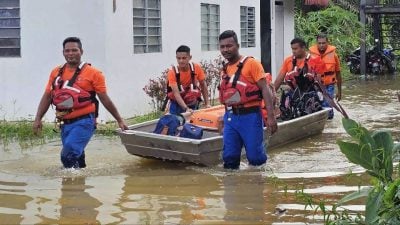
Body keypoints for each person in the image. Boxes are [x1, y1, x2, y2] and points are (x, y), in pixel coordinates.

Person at [33, 37, 128, 169]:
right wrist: (38, 118)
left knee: (67, 155)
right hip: (64, 122)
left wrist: (119, 120)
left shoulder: (94, 73)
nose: (70, 53)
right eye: (67, 51)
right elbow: (47, 96)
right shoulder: (56, 72)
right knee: (76, 158)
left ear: (81, 51)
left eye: (74, 50)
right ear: (63, 52)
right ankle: (79, 184)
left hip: (84, 121)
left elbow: (104, 98)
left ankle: (70, 184)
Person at [218, 30, 278, 169]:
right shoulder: (225, 68)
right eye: (222, 47)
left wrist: (271, 116)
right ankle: (232, 187)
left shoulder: (251, 64)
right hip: (230, 118)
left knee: (255, 158)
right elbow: (229, 96)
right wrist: (222, 118)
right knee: (229, 158)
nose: (225, 49)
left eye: (229, 46)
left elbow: (265, 89)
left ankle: (258, 185)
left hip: (250, 117)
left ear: (238, 46)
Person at [166, 45, 211, 115]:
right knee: (175, 123)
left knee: (193, 124)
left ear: (190, 57)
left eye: (184, 58)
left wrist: (207, 103)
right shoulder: (172, 72)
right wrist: (186, 109)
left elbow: (203, 84)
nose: (181, 61)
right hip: (177, 104)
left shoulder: (196, 68)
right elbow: (176, 94)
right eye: (179, 58)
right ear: (176, 58)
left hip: (192, 102)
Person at [309, 33, 342, 119]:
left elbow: (338, 73)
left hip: (329, 85)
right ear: (317, 43)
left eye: (323, 43)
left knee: (328, 105)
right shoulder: (311, 56)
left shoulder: (334, 55)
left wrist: (339, 91)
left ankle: (329, 123)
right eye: (319, 43)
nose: (321, 45)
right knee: (316, 104)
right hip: (316, 85)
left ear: (327, 42)